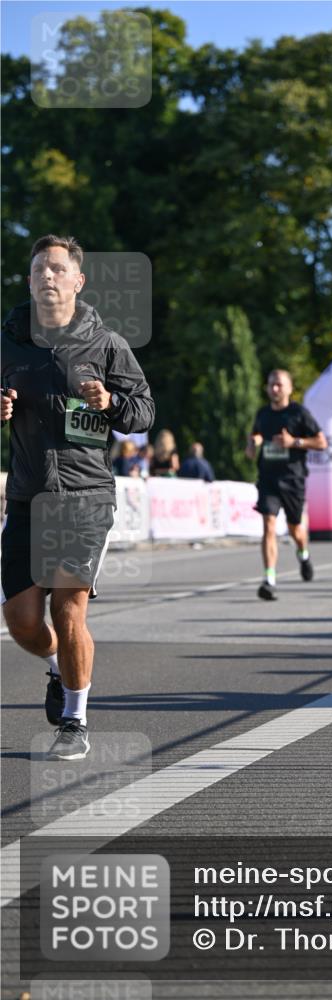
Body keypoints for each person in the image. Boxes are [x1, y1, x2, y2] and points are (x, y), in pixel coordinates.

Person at [1, 234, 154, 760]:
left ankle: (74, 718)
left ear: (77, 281)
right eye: (39, 267)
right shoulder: (8, 341)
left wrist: (110, 401)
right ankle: (57, 665)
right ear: (29, 280)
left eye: (57, 268)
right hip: (26, 495)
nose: (48, 275)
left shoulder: (106, 343)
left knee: (69, 609)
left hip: (85, 495)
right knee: (21, 621)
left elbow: (143, 413)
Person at [246, 369, 326, 600]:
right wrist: (252, 445)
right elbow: (256, 438)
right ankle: (269, 579)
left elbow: (321, 442)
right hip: (268, 479)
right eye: (271, 384)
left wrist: (295, 442)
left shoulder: (299, 413)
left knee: (294, 529)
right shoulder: (262, 414)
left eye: (279, 384)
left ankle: (303, 553)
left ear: (290, 388)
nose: (275, 388)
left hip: (293, 479)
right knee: (269, 525)